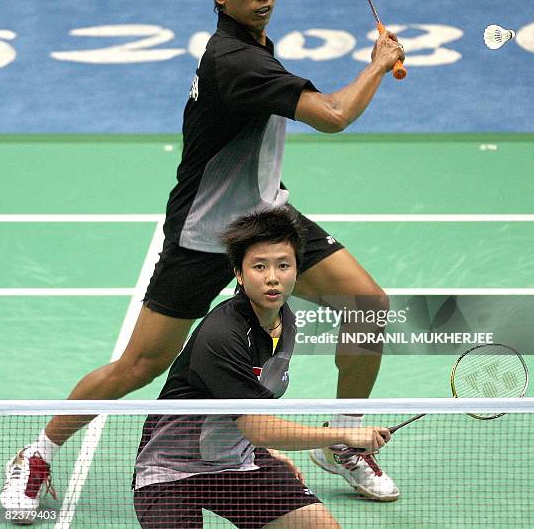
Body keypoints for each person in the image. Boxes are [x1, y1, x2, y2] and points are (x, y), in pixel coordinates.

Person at [0, 0, 404, 517]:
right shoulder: (234, 60)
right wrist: (379, 64)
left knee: (366, 304)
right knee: (141, 366)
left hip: (266, 215)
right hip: (206, 232)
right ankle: (37, 453)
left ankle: (344, 439)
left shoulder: (254, 46)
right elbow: (334, 115)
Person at [133, 207, 392, 528]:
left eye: (284, 266)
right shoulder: (222, 334)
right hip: (171, 471)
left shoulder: (285, 322)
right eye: (259, 266)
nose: (272, 277)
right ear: (239, 274)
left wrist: (261, 450)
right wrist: (343, 435)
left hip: (238, 463)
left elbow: (242, 407)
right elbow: (257, 425)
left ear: (298, 271)